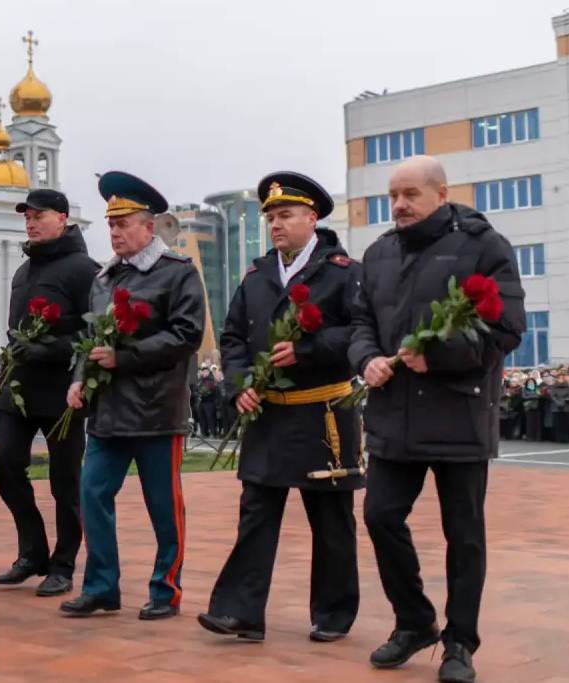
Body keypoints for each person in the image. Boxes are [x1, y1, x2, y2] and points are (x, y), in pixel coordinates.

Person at [349, 156, 525, 683]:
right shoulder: (378, 253)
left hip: (458, 414)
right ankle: (414, 622)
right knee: (380, 516)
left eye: (410, 194)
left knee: (463, 536)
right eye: (392, 195)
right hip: (394, 415)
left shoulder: (484, 246)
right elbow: (360, 322)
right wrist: (366, 358)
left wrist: (441, 355)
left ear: (441, 194)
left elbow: (506, 328)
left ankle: (460, 643)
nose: (399, 205)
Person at [198, 172, 364, 644]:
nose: (275, 225)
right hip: (268, 414)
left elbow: (362, 331)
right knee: (256, 512)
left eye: (285, 215)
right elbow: (233, 337)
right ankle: (240, 613)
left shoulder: (343, 272)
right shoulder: (256, 276)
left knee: (330, 519)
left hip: (323, 414)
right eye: (270, 217)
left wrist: (309, 349)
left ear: (312, 218)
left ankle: (333, 613)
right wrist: (238, 385)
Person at [59, 171, 204, 619]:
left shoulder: (177, 273)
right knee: (91, 493)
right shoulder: (104, 279)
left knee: (163, 506)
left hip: (156, 410)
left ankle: (165, 591)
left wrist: (124, 358)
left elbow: (186, 335)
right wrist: (79, 377)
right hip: (107, 411)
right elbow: (90, 338)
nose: (115, 233)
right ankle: (102, 586)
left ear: (149, 226)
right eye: (111, 225)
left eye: (123, 224)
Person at [0, 189, 100, 597]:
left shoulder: (84, 269)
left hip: (62, 393)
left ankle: (63, 565)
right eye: (27, 217)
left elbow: (93, 333)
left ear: (63, 218)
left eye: (39, 216)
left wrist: (48, 349)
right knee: (6, 466)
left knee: (64, 482)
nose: (31, 222)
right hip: (19, 389)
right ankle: (32, 551)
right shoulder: (23, 271)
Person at [197, 364, 219, 438]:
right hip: (201, 402)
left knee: (210, 418)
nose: (204, 373)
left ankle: (213, 432)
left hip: (209, 402)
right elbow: (197, 389)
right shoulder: (200, 380)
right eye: (203, 371)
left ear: (208, 372)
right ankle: (204, 432)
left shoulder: (211, 380)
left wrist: (200, 393)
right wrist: (198, 393)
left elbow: (208, 390)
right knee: (202, 418)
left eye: (206, 371)